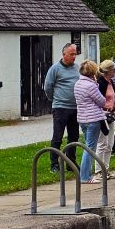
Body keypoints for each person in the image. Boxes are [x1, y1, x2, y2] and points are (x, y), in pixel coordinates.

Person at [43, 42, 80, 174]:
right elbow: (48, 87)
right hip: (60, 107)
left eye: (75, 54)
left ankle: (71, 162)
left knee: (74, 136)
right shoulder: (55, 69)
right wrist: (55, 99)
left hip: (75, 108)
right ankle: (54, 164)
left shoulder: (76, 68)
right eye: (71, 54)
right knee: (58, 136)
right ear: (64, 54)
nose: (74, 57)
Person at [74, 60, 107, 184]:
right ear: (92, 72)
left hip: (82, 119)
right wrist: (96, 85)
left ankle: (85, 174)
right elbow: (102, 101)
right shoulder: (91, 85)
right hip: (93, 119)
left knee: (87, 146)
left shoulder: (77, 84)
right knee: (90, 148)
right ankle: (85, 176)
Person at [95, 59, 115, 180]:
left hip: (111, 114)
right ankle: (98, 170)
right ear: (109, 70)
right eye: (114, 69)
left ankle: (106, 168)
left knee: (110, 143)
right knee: (102, 143)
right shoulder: (101, 83)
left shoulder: (111, 82)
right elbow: (98, 100)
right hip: (102, 115)